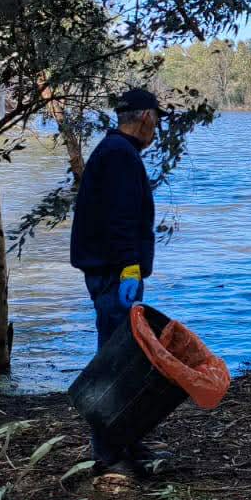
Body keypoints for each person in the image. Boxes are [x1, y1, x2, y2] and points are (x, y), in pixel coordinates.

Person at [70, 87, 170, 473]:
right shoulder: (119, 156)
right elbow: (121, 220)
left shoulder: (115, 152)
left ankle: (124, 441)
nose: (157, 128)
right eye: (157, 120)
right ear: (145, 117)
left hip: (111, 269)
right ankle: (108, 454)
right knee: (115, 361)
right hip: (114, 273)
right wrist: (130, 268)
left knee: (123, 355)